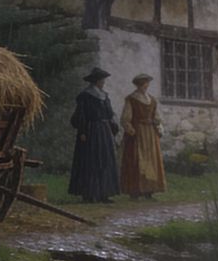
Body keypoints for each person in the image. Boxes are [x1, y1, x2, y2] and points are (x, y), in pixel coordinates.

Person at [68, 66, 120, 203]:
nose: (103, 82)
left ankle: (104, 193)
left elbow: (109, 114)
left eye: (103, 80)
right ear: (96, 81)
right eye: (101, 80)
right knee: (90, 162)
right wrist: (83, 131)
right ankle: (89, 194)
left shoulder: (105, 96)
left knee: (105, 160)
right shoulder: (85, 96)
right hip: (91, 131)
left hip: (104, 131)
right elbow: (80, 115)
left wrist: (113, 127)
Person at [120, 73, 166, 198]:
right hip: (138, 133)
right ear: (138, 85)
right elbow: (125, 118)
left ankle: (149, 191)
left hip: (150, 133)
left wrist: (158, 128)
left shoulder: (152, 100)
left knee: (151, 160)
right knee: (137, 160)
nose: (146, 86)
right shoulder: (131, 99)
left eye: (147, 83)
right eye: (144, 84)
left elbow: (157, 117)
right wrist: (130, 130)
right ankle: (135, 191)